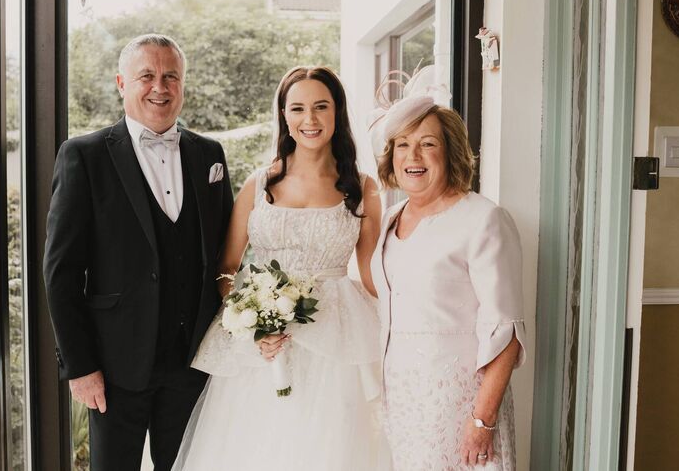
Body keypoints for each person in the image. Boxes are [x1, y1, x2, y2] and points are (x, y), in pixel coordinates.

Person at [173, 66, 383, 471]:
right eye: (298, 108)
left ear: (337, 112)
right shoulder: (259, 183)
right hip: (262, 349)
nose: (310, 119)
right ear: (284, 116)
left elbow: (374, 277)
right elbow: (226, 269)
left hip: (335, 343)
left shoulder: (362, 186)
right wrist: (252, 323)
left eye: (321, 106)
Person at [43, 34, 233, 470]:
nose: (160, 88)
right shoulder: (83, 156)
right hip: (114, 367)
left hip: (194, 362)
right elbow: (61, 272)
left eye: (171, 76)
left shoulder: (210, 155)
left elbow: (225, 257)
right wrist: (81, 365)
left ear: (184, 84)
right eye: (146, 75)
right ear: (121, 83)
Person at [370, 97, 526, 470]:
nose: (414, 156)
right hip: (404, 404)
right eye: (403, 145)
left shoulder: (484, 219)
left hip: (460, 405)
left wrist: (481, 421)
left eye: (428, 144)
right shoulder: (391, 218)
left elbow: (507, 332)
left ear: (451, 151)